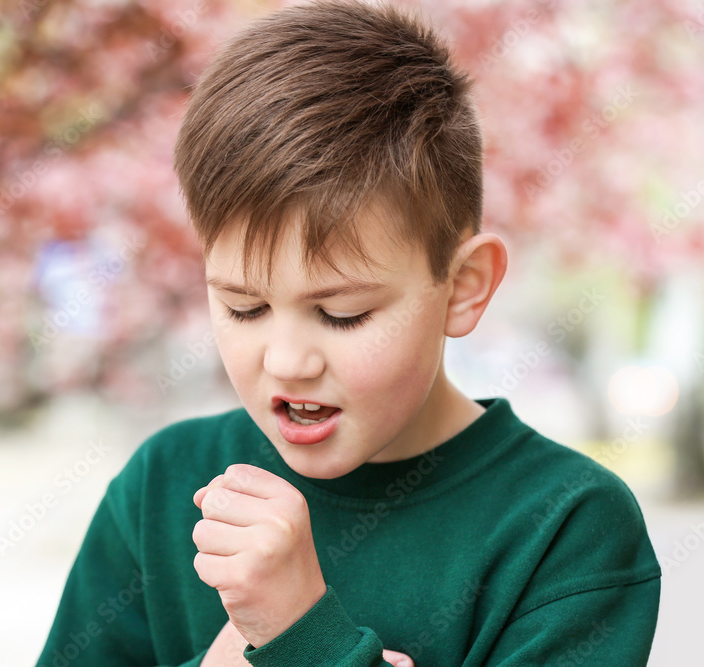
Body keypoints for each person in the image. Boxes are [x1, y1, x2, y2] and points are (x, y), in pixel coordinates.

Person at [35, 1, 662, 665]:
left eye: (341, 313)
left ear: (465, 285)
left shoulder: (566, 529)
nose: (287, 360)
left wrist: (302, 633)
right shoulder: (162, 488)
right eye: (245, 307)